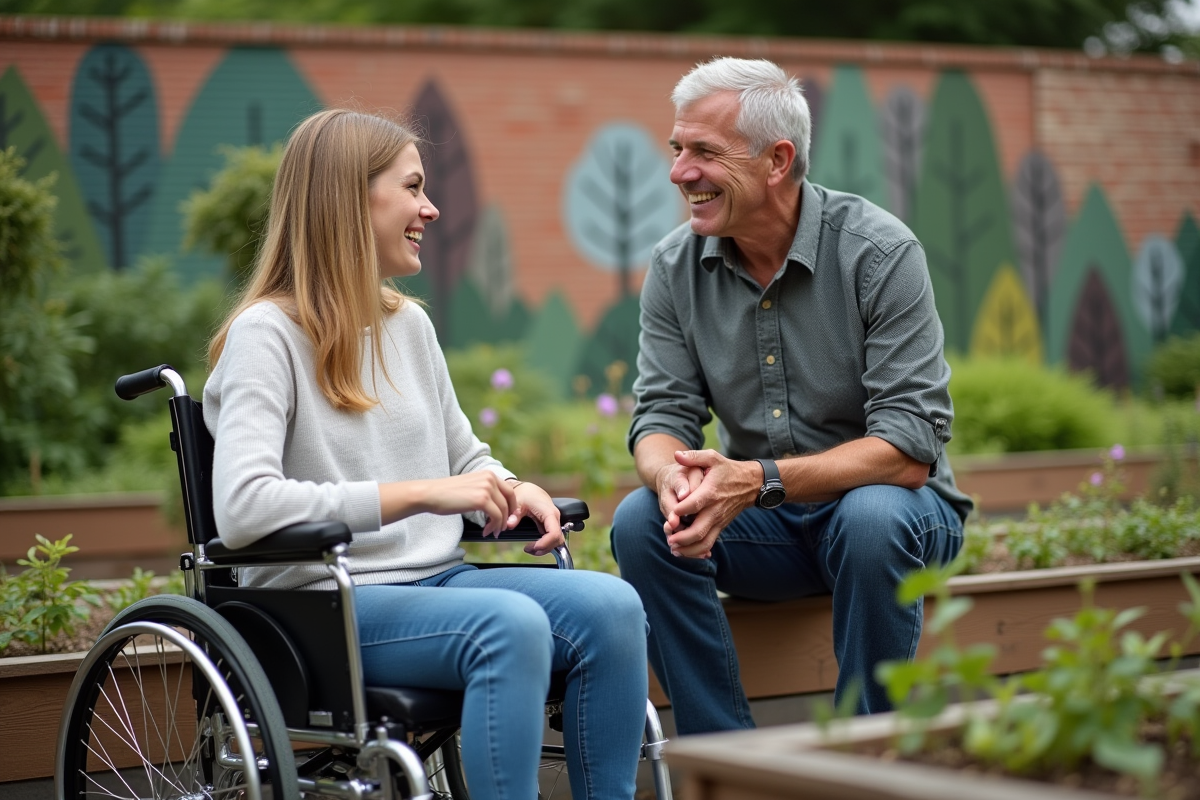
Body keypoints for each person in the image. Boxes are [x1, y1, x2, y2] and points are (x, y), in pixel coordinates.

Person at [204, 108, 647, 800]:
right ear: (349, 200)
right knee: (510, 627)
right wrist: (421, 493)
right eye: (412, 188)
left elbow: (465, 457)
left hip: (437, 583)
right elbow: (243, 509)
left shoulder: (407, 325)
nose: (431, 208)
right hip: (322, 606)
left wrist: (509, 485)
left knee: (613, 608)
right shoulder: (266, 336)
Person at [609, 57, 974, 733]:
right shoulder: (673, 267)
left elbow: (908, 450)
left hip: (899, 521)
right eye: (678, 149)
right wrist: (671, 479)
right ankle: (729, 757)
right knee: (641, 522)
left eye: (703, 152)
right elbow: (662, 414)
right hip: (771, 533)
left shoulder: (879, 252)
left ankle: (866, 752)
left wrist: (755, 480)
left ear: (776, 161)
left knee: (871, 518)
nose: (679, 172)